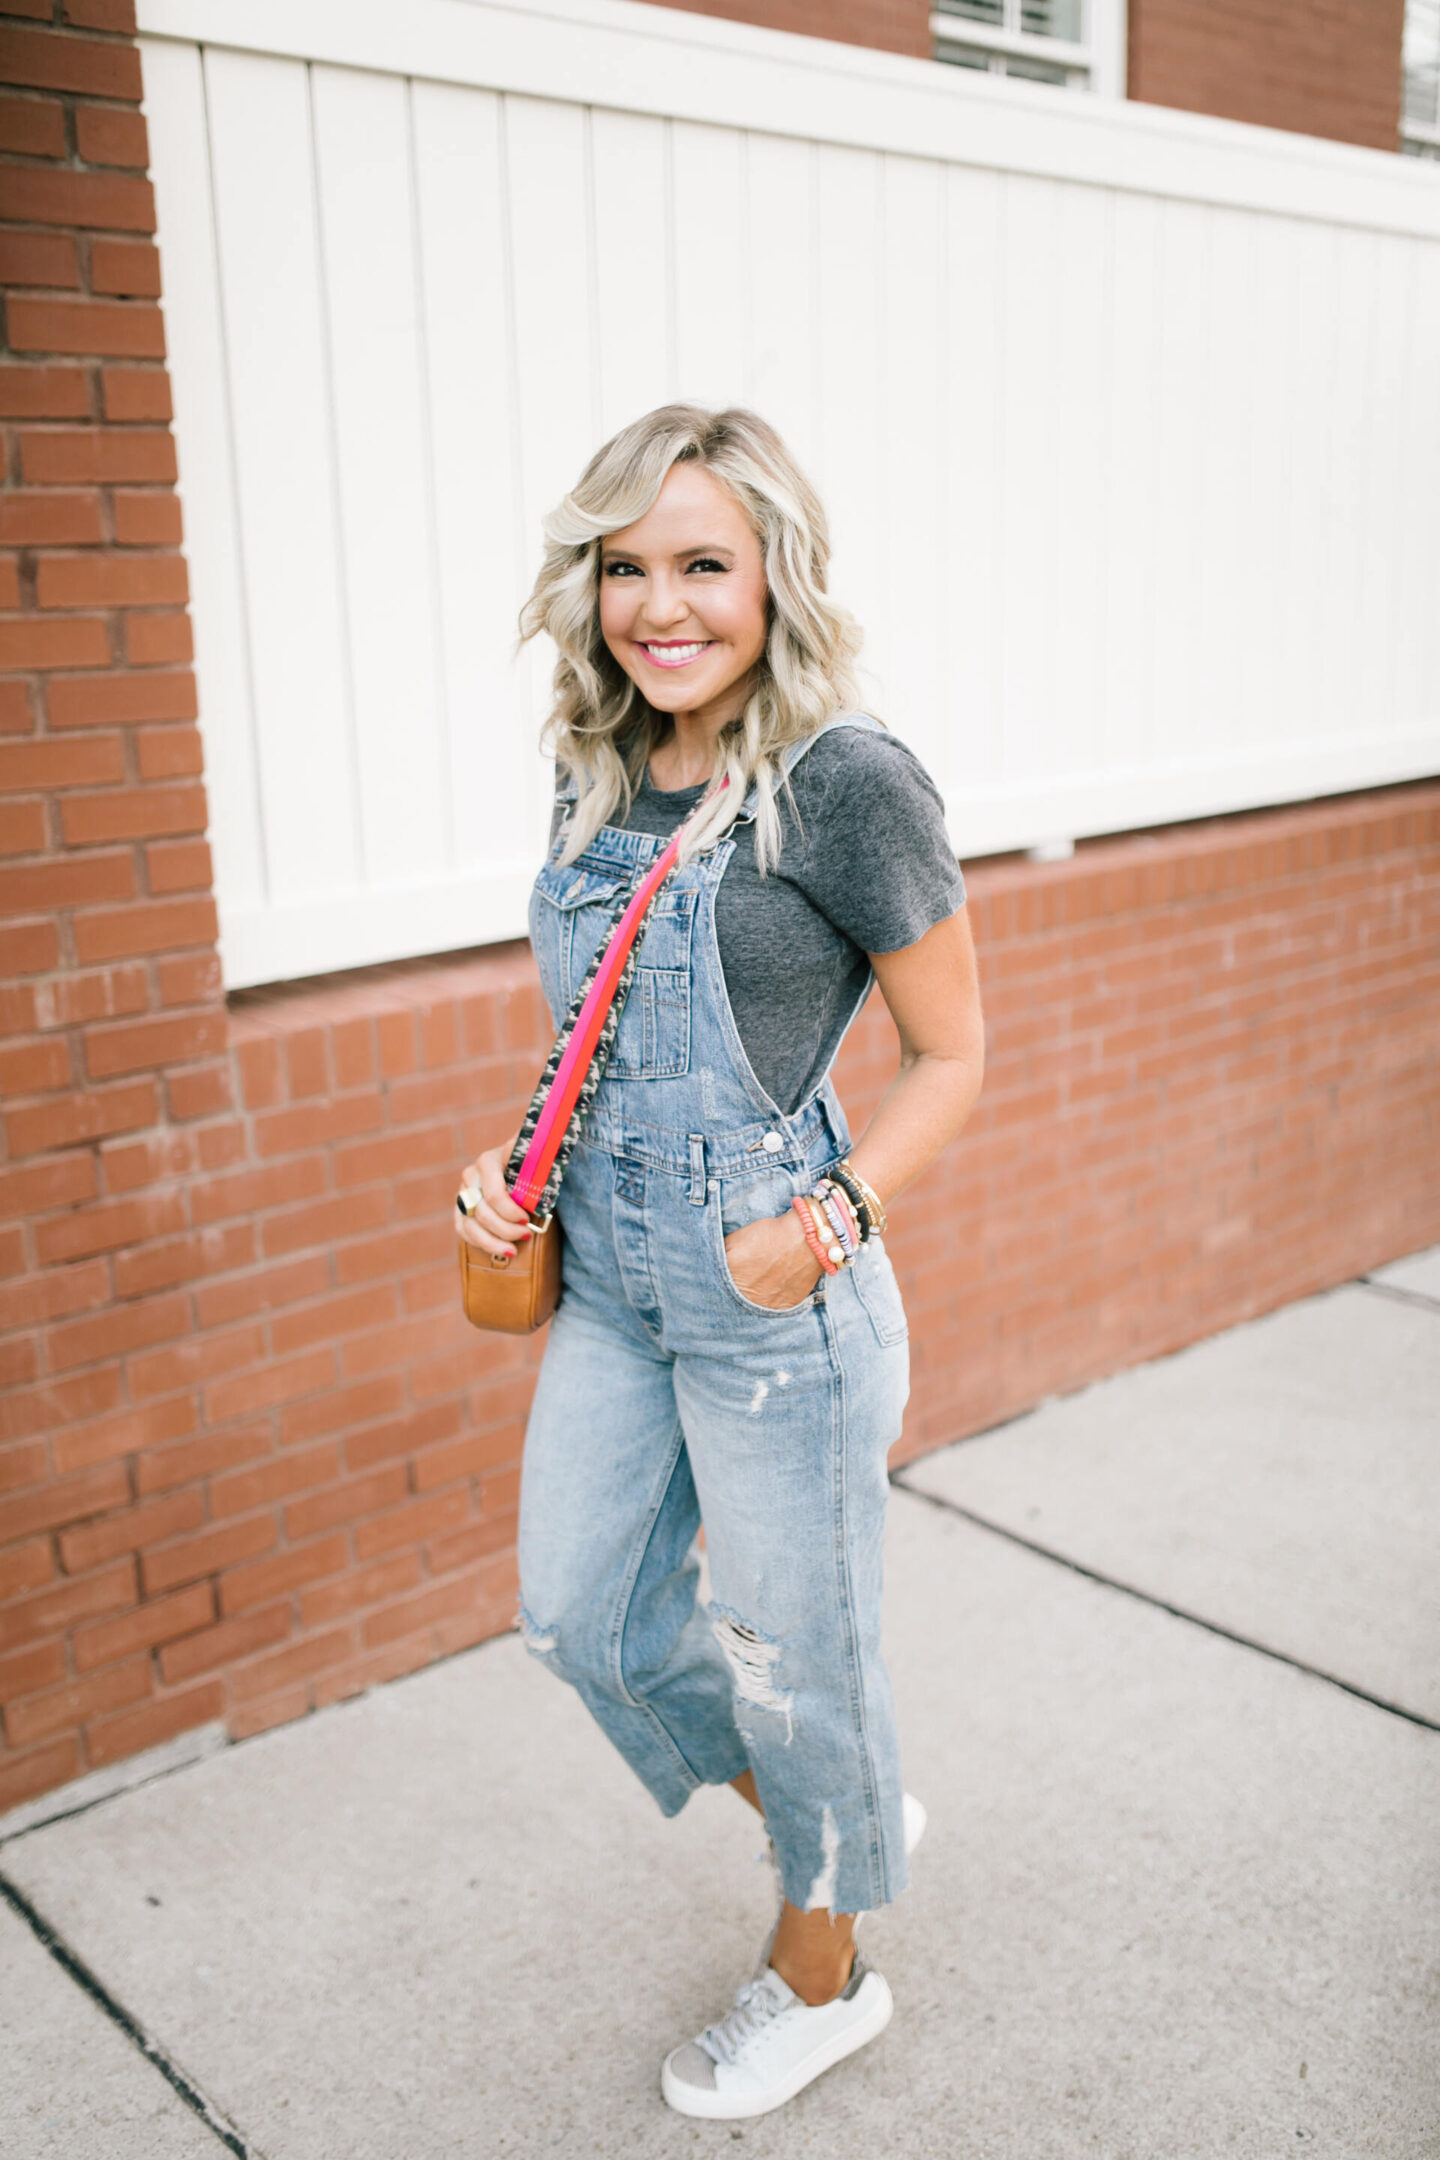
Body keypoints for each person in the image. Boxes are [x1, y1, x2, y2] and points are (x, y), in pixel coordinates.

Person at [457, 405, 984, 2120]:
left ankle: (825, 1971)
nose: (658, 605)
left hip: (776, 1299)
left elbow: (956, 1053)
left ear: (776, 575)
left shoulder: (848, 782)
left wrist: (817, 1228)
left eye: (703, 564)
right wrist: (514, 1167)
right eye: (627, 566)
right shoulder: (597, 764)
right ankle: (839, 1813)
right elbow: (592, 1035)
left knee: (790, 1659)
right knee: (581, 1619)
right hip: (611, 1277)